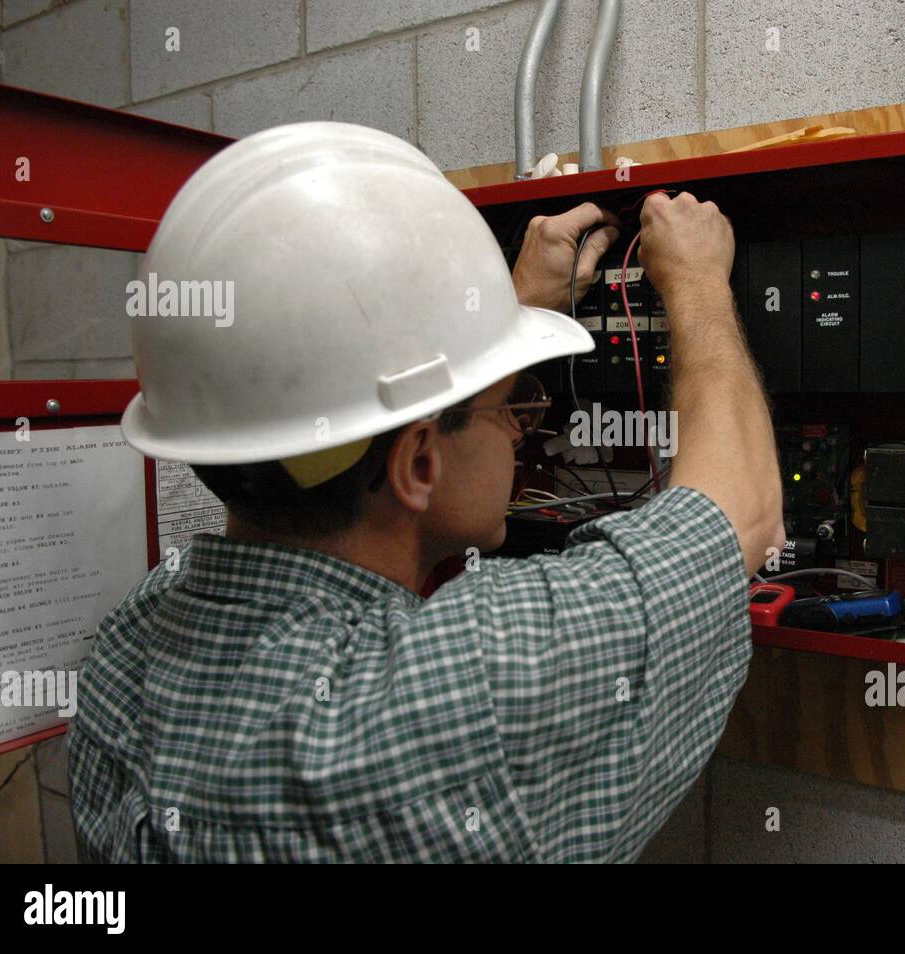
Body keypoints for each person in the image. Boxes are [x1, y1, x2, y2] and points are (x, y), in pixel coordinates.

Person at [68, 122, 782, 862]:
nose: (517, 429)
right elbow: (743, 511)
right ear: (414, 465)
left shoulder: (125, 647)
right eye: (512, 402)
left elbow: (378, 406)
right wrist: (697, 282)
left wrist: (484, 316)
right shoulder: (471, 681)